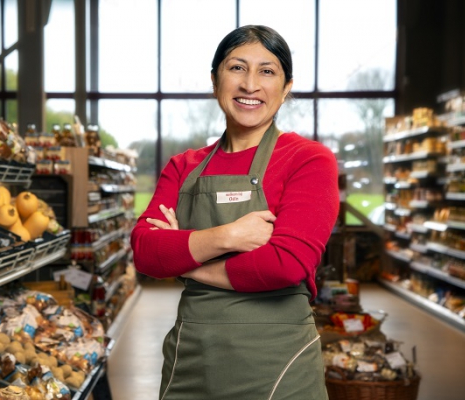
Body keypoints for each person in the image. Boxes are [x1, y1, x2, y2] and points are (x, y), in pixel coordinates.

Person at [130, 25, 338, 400]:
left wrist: (184, 259)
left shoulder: (307, 160)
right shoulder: (183, 167)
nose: (250, 84)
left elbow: (286, 264)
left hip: (277, 363)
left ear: (286, 88)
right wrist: (227, 236)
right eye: (237, 68)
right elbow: (146, 251)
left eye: (267, 71)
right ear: (215, 80)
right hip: (191, 355)